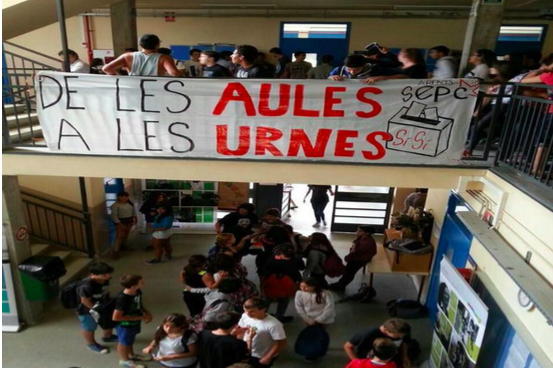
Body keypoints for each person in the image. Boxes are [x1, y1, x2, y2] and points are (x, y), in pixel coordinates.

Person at [112, 275, 153, 368]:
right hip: (124, 325)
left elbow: (139, 303)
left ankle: (131, 355)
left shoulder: (137, 291)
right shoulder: (123, 299)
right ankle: (124, 360)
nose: (144, 283)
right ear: (133, 286)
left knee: (130, 340)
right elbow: (116, 317)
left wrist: (147, 313)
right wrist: (140, 317)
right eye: (141, 282)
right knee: (123, 342)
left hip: (134, 322)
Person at [233, 298, 287, 368]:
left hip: (261, 355)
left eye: (252, 311)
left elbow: (281, 342)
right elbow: (241, 331)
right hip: (247, 351)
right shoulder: (245, 316)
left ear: (263, 309)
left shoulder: (274, 324)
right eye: (245, 311)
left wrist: (268, 357)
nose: (248, 314)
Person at [76, 262, 117, 354]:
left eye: (109, 273)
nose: (108, 276)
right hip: (86, 310)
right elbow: (85, 301)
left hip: (102, 304)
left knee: (107, 320)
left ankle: (108, 336)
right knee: (89, 326)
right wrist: (97, 311)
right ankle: (91, 344)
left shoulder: (105, 279)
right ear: (93, 275)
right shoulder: (86, 286)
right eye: (104, 275)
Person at [344, 319, 412, 368]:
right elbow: (348, 346)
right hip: (368, 357)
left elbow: (404, 342)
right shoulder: (367, 334)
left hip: (389, 354)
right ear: (386, 330)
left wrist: (404, 357)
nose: (401, 337)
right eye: (397, 336)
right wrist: (357, 361)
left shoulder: (403, 332)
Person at [102, 34, 180, 77]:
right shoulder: (164, 58)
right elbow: (175, 73)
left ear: (140, 44)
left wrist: (121, 78)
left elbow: (106, 68)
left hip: (133, 89)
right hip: (155, 90)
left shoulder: (127, 56)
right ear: (158, 45)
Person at [263, 243, 303, 323]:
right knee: (284, 300)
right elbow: (301, 268)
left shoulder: (271, 259)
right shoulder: (294, 261)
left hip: (272, 282)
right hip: (287, 283)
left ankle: (262, 314)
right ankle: (279, 316)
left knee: (268, 299)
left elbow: (265, 270)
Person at [330, 226, 377, 291]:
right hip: (357, 257)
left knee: (350, 273)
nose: (357, 232)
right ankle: (340, 283)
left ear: (367, 233)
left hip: (361, 259)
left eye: (360, 231)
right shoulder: (363, 238)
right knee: (347, 271)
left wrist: (353, 250)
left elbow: (357, 252)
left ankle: (341, 286)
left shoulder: (367, 242)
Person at [111, 191, 137, 260]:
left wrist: (135, 218)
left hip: (129, 220)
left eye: (126, 196)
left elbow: (133, 211)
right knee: (119, 236)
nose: (125, 198)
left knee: (126, 234)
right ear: (119, 197)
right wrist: (119, 224)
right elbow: (114, 216)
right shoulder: (115, 205)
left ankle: (123, 246)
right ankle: (115, 251)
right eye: (123, 196)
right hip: (121, 221)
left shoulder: (129, 204)